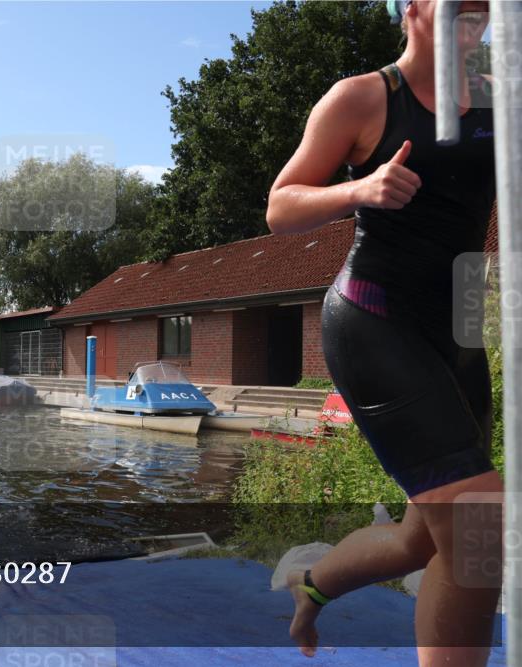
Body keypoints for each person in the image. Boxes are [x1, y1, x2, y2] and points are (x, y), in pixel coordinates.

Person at [266, 2, 501, 665]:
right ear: (413, 8)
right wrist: (360, 188)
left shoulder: (497, 102)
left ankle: (312, 587)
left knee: (419, 540)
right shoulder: (364, 97)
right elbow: (281, 202)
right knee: (479, 526)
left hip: (456, 333)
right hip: (374, 319)